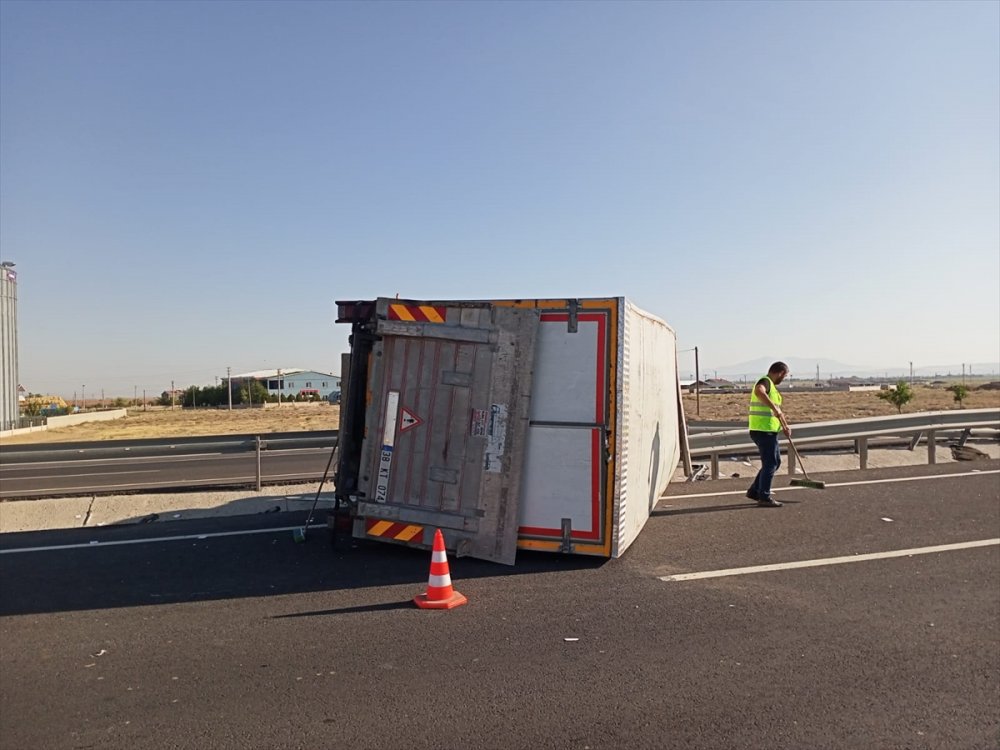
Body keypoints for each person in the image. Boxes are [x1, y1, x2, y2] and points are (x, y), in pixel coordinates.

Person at [747, 361, 791, 507]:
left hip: (769, 430)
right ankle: (764, 496)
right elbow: (759, 392)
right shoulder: (765, 381)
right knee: (771, 463)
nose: (783, 379)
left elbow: (778, 410)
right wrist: (774, 408)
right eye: (784, 376)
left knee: (775, 462)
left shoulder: (772, 388)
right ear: (780, 373)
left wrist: (785, 425)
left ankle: (755, 491)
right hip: (762, 430)